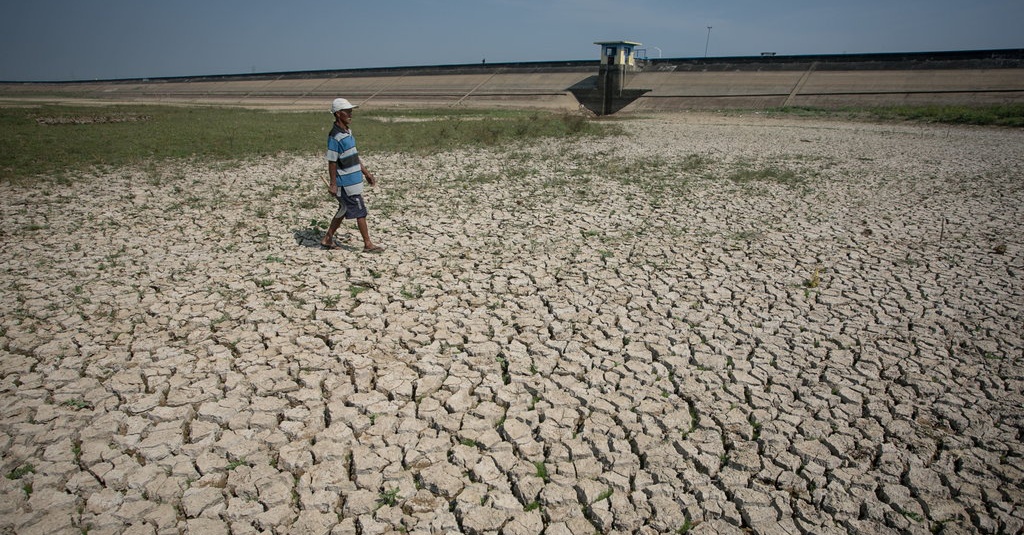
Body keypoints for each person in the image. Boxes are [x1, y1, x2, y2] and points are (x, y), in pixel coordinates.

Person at [321, 97, 384, 253]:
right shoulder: (335, 136)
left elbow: (354, 156)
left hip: (354, 180)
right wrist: (333, 184)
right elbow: (332, 162)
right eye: (347, 112)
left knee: (343, 209)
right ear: (337, 114)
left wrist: (366, 173)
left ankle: (327, 238)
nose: (350, 114)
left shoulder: (347, 132)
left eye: (351, 111)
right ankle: (368, 244)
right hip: (346, 183)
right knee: (360, 211)